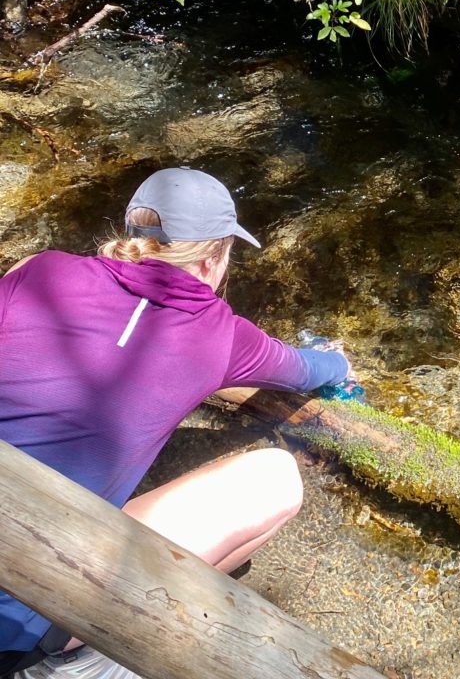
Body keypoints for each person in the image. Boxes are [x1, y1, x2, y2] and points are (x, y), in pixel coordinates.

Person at [0, 167, 353, 679]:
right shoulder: (223, 335)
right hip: (27, 622)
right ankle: (84, 654)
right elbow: (304, 371)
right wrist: (340, 362)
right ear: (215, 257)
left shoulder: (41, 271)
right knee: (276, 478)